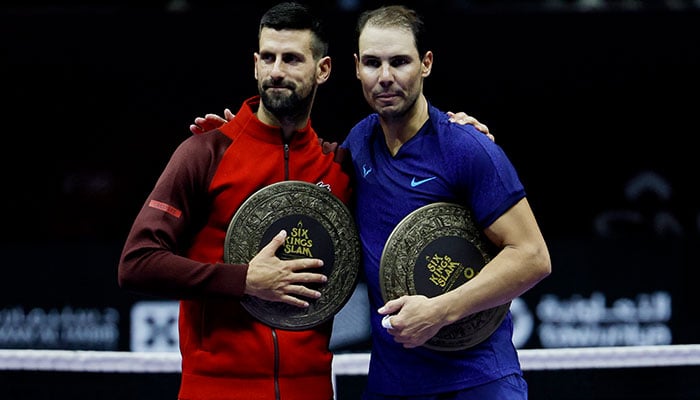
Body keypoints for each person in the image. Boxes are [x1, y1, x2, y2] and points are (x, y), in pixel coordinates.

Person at [118, 3, 352, 399]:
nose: (276, 71)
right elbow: (136, 263)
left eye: (292, 59)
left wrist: (457, 128)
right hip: (216, 387)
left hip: (310, 388)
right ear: (255, 64)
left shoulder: (339, 166)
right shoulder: (205, 152)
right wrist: (245, 280)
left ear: (323, 70)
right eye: (268, 57)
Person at [339, 5, 552, 399]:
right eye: (372, 63)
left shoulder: (467, 147)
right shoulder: (358, 145)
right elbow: (300, 189)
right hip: (393, 384)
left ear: (426, 64)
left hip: (478, 380)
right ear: (356, 67)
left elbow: (533, 257)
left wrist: (440, 311)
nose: (385, 77)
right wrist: (230, 140)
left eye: (399, 62)